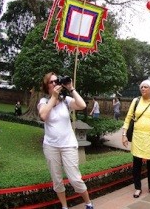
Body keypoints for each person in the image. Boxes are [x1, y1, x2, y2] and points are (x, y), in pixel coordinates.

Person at [37, 72, 94, 209]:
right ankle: (64, 206)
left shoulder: (65, 100)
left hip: (68, 145)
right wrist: (54, 97)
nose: (56, 83)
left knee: (75, 178)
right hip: (51, 146)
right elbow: (43, 115)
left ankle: (88, 203)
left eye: (57, 81)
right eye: (52, 82)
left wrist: (71, 89)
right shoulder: (43, 102)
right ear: (47, 86)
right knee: (57, 180)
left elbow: (82, 105)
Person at [122, 80, 150, 198]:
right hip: (138, 137)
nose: (142, 89)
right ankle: (137, 188)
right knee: (136, 164)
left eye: (145, 87)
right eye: (141, 87)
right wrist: (124, 134)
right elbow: (128, 118)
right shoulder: (136, 101)